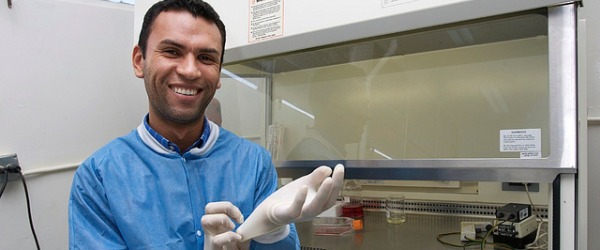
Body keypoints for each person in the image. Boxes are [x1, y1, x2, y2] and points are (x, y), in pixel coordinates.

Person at [68, 1, 344, 249]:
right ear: (139, 61)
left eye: (206, 57)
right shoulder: (99, 178)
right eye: (172, 51)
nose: (190, 70)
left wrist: (273, 232)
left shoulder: (254, 163)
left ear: (219, 72)